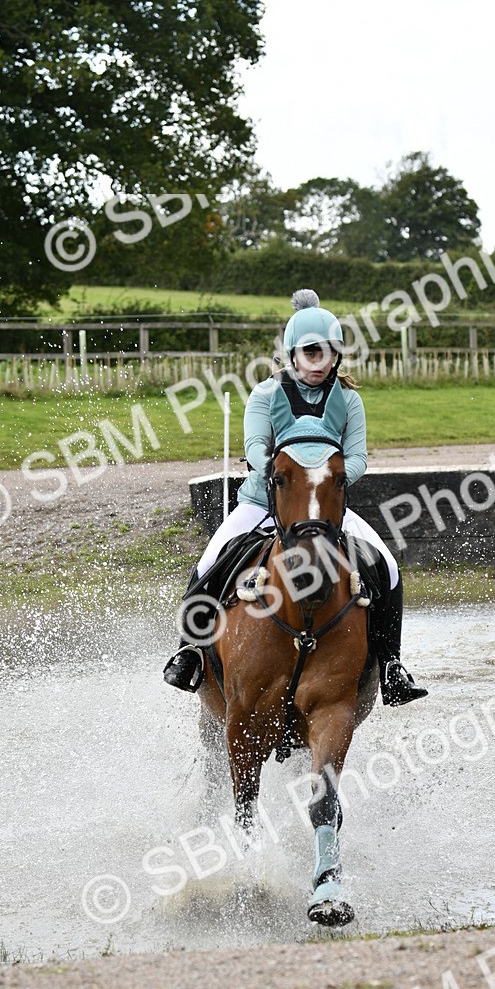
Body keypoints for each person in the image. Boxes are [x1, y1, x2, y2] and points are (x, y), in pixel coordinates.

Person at [163, 289, 427, 706]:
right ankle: (190, 652)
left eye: (328, 352)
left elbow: (357, 458)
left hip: (323, 507)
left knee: (388, 567)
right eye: (311, 352)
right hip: (260, 502)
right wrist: (288, 478)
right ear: (293, 353)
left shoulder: (349, 400)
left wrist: (326, 480)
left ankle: (392, 665)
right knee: (209, 563)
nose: (320, 361)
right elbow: (255, 451)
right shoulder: (266, 395)